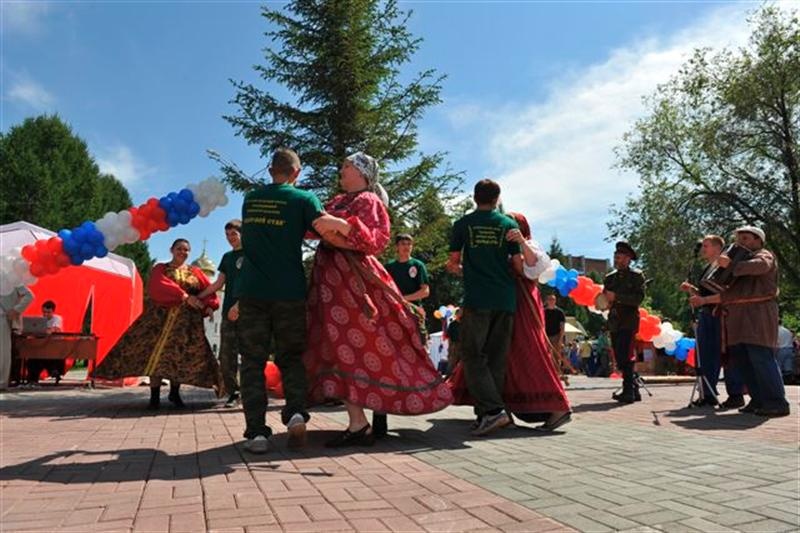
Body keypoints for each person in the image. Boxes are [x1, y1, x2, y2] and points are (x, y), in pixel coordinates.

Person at [307, 152, 453, 447]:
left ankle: (370, 417)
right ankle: (358, 421)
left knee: (367, 342)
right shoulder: (338, 200)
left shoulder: (368, 200)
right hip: (332, 284)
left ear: (361, 172)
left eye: (347, 165)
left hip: (354, 283)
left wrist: (340, 227)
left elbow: (375, 240)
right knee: (340, 347)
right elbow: (315, 228)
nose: (341, 169)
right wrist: (330, 227)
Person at [231, 148, 326, 454]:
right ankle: (296, 413)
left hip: (252, 291)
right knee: (291, 357)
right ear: (296, 172)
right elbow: (323, 228)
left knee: (252, 362)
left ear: (271, 170)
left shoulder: (251, 199)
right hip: (289, 292)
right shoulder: (304, 199)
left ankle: (257, 434)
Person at [449, 212, 571, 431]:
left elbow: (535, 268)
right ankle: (498, 410)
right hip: (506, 302)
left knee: (529, 351)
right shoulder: (502, 247)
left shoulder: (528, 244)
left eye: (511, 225)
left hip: (522, 303)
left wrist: (521, 242)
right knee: (504, 356)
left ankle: (557, 407)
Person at [95, 239, 222, 409]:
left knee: (178, 356)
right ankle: (154, 397)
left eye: (186, 250)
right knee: (155, 356)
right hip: (158, 321)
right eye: (179, 249)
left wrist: (209, 306)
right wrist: (184, 296)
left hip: (185, 323)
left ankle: (175, 393)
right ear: (172, 250)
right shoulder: (161, 268)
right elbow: (157, 285)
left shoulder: (195, 272)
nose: (183, 252)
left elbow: (207, 289)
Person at [447, 179, 523, 435]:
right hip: (505, 299)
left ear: (474, 197)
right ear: (496, 199)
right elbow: (518, 265)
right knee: (496, 358)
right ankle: (486, 416)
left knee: (471, 354)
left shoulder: (462, 224)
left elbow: (453, 263)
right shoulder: (508, 225)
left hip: (478, 298)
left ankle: (492, 411)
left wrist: (465, 271)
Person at [690, 226, 789, 417]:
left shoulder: (764, 255)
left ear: (758, 240)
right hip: (736, 318)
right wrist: (703, 298)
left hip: (758, 315)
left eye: (745, 238)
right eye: (738, 239)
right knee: (744, 360)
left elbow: (761, 266)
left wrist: (732, 265)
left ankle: (777, 402)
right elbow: (728, 294)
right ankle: (758, 400)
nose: (740, 242)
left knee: (761, 357)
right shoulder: (738, 265)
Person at [375, 233, 431, 437]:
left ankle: (423, 388)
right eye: (403, 243)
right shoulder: (389, 267)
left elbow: (425, 291)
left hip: (413, 313)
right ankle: (381, 415)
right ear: (396, 247)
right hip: (391, 315)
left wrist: (404, 299)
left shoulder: (418, 266)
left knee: (418, 351)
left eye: (409, 243)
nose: (406, 246)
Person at [196, 219, 244, 408]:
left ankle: (251, 392)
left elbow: (254, 283)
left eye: (234, 234)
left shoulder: (252, 254)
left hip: (250, 311)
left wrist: (239, 306)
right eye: (227, 235)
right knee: (226, 355)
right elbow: (218, 283)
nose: (230, 238)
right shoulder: (227, 257)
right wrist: (198, 296)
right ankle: (234, 393)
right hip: (228, 312)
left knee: (250, 354)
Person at [680, 235, 727, 406]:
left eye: (706, 246)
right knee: (703, 354)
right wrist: (692, 290)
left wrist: (703, 300)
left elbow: (726, 294)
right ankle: (705, 391)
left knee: (713, 353)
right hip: (706, 314)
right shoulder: (708, 268)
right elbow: (704, 294)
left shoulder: (723, 267)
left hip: (717, 314)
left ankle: (710, 392)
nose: (703, 249)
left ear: (717, 248)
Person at [603, 240, 646, 404]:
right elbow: (605, 298)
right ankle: (633, 387)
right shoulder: (610, 278)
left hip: (628, 321)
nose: (617, 259)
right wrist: (603, 303)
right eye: (616, 256)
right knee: (619, 356)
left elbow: (638, 299)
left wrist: (617, 297)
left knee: (626, 355)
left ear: (628, 259)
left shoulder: (636, 276)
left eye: (620, 257)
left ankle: (628, 391)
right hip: (614, 321)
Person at [0, 285, 34, 390]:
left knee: (3, 351)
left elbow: (29, 296)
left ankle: (1, 382)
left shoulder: (13, 280)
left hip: (2, 317)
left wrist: (16, 310)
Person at [25, 300, 65, 385]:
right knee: (33, 358)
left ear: (53, 311)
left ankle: (54, 371)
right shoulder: (40, 320)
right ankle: (32, 379)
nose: (45, 314)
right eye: (44, 312)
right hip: (42, 346)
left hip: (54, 346)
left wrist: (45, 331)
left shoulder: (57, 318)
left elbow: (55, 329)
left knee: (50, 356)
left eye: (48, 312)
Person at [446, 308, 463, 374]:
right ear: (456, 315)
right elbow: (449, 337)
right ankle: (449, 375)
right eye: (459, 313)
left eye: (461, 314)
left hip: (463, 344)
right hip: (454, 344)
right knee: (452, 361)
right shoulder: (452, 324)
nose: (461, 315)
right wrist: (449, 347)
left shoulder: (465, 324)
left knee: (463, 362)